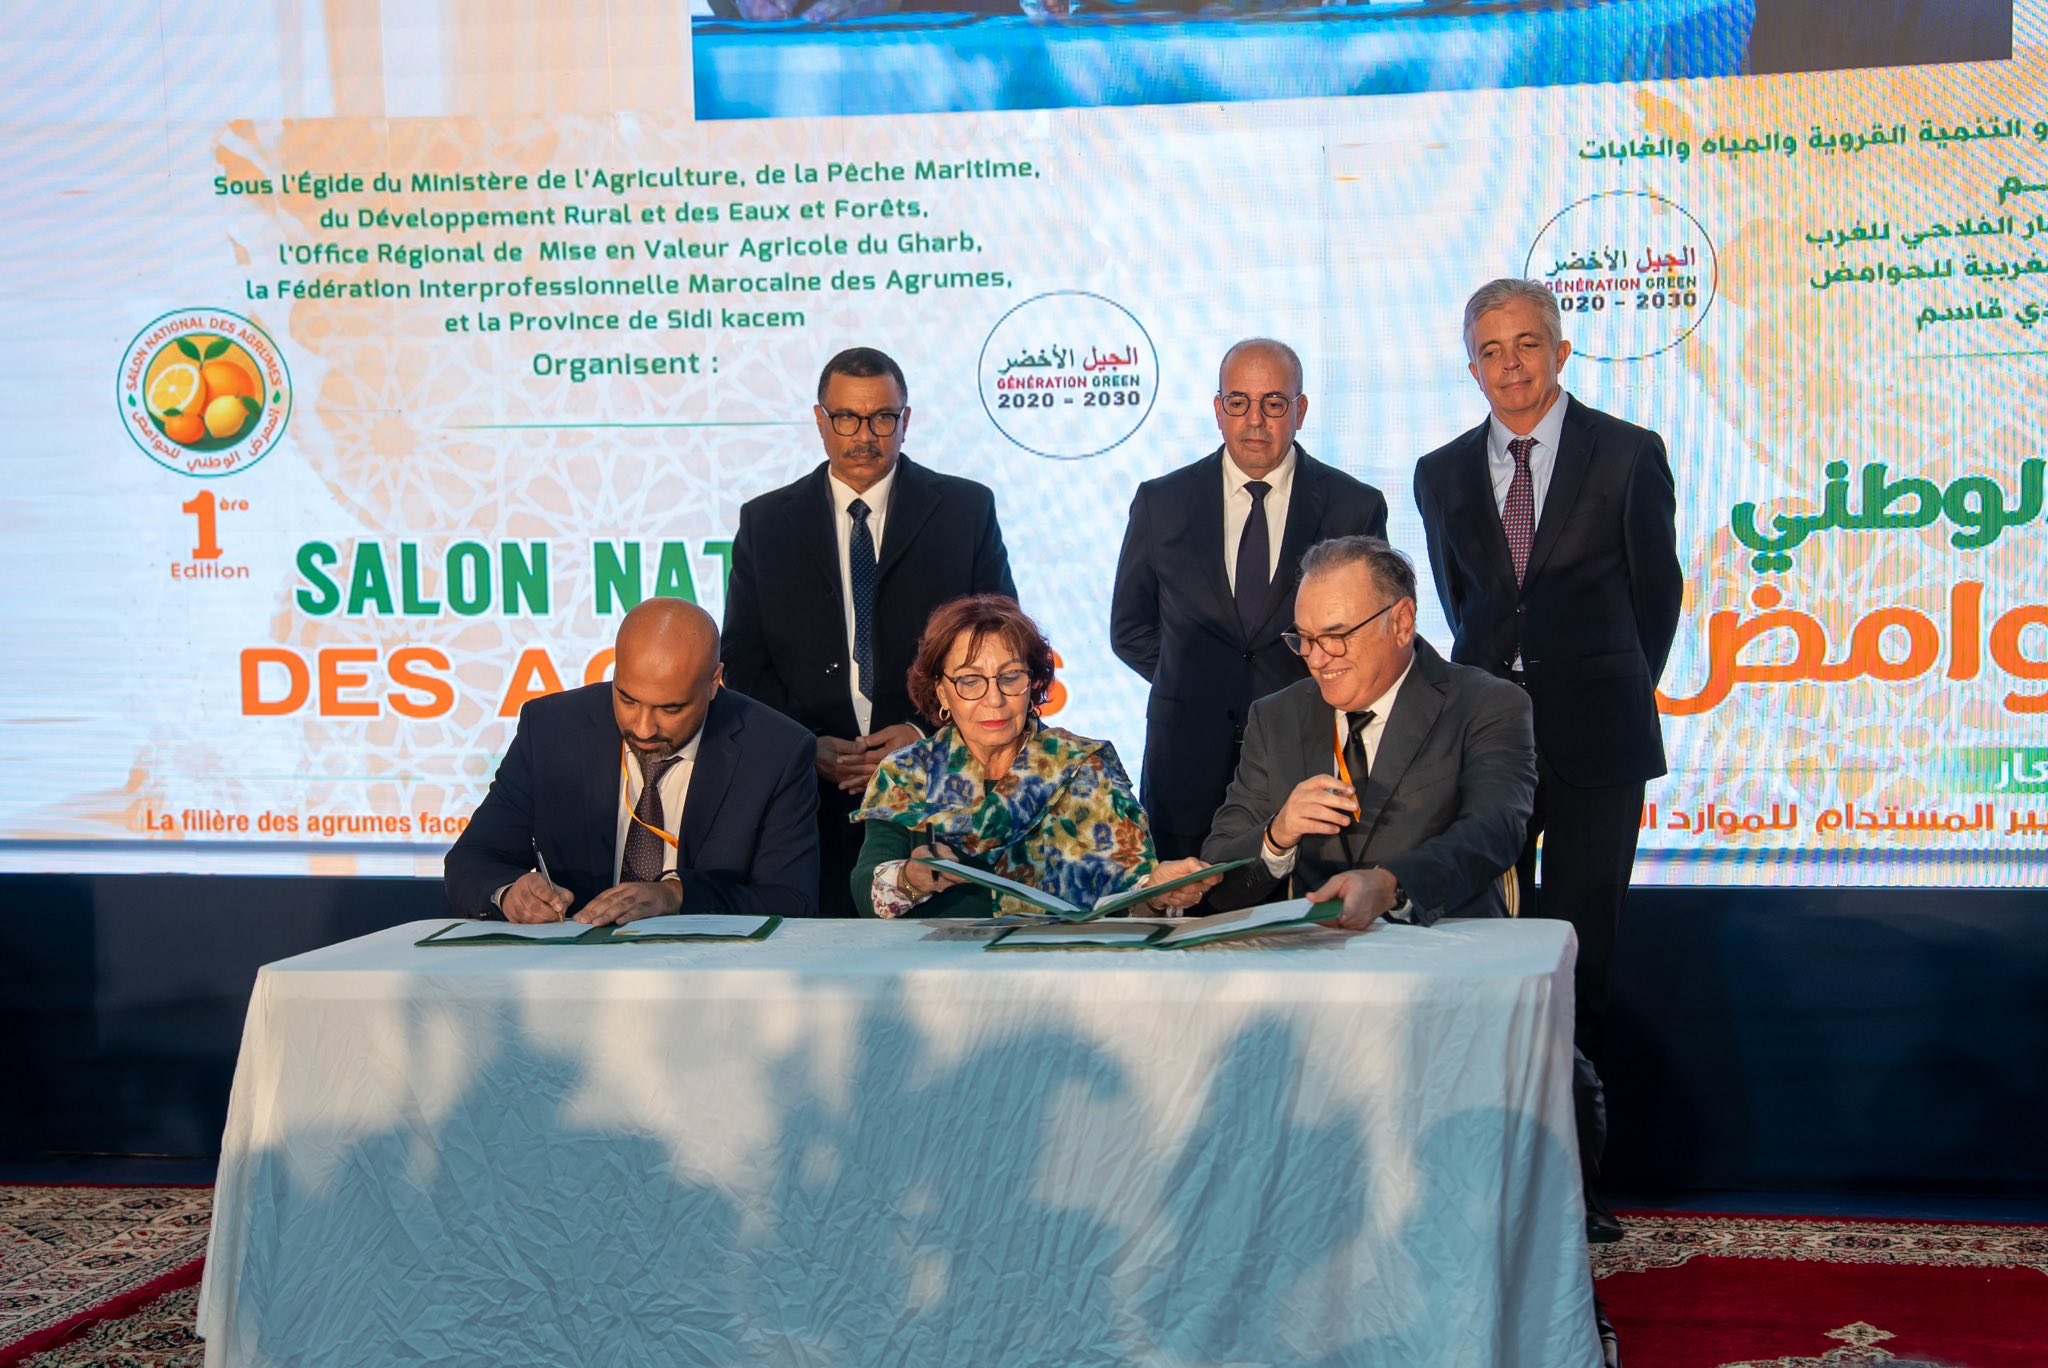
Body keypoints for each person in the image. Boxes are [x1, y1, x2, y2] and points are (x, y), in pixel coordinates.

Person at [1412, 278, 1682, 1249]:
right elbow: (1463, 606)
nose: (1510, 365)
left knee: (1579, 957)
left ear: (1561, 352)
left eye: (1527, 343)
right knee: (1482, 949)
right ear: (1471, 365)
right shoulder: (1440, 472)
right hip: (1487, 745)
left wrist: (1597, 688)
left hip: (1599, 743)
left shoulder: (1628, 454)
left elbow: (1655, 603)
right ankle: (1489, 1170)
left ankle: (1576, 1183)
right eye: (1490, 349)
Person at [723, 346, 1017, 917]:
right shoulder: (766, 522)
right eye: (847, 418)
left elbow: (998, 645)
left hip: (933, 794)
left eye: (882, 418)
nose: (864, 436)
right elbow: (743, 658)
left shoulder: (964, 510)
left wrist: (922, 731)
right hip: (806, 799)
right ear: (820, 420)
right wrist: (804, 744)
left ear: (906, 420)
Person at [1111, 337, 1387, 860]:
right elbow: (1130, 630)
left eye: (1273, 403)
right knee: (1185, 903)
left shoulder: (1353, 507)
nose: (1254, 420)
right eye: (1238, 402)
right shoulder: (1161, 502)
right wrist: (1200, 681)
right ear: (1219, 411)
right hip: (1185, 759)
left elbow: (1371, 638)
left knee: (1302, 904)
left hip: (1306, 756)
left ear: (1301, 411)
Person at [1199, 536, 1534, 927]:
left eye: (1336, 636)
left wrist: (1392, 885)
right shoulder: (1277, 717)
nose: (1317, 659)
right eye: (1305, 639)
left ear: (1402, 622)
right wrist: (1277, 836)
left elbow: (1493, 833)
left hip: (1445, 946)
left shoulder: (1485, 704)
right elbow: (1217, 875)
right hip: (1316, 952)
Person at [444, 599, 821, 924]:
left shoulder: (776, 751)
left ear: (713, 683)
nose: (642, 728)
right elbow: (472, 859)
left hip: (711, 973)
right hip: (573, 971)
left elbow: (793, 901)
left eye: (670, 709)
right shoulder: (551, 730)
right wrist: (510, 893)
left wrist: (677, 896)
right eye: (627, 699)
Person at [851, 595, 1219, 919]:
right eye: (970, 680)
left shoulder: (1084, 767)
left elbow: (1133, 904)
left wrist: (1156, 895)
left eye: (1010, 677)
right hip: (938, 969)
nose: (994, 699)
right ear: (942, 693)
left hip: (1063, 966)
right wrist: (910, 879)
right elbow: (866, 893)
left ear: (1035, 682)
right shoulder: (907, 773)